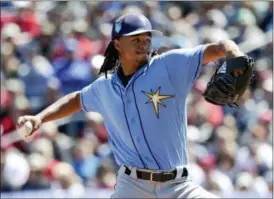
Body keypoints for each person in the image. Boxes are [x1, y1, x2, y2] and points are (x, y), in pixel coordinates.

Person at [17, 13, 245, 198]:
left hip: (178, 186)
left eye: (147, 39)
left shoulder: (168, 65)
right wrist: (40, 118)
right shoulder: (104, 87)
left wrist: (233, 52)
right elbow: (76, 99)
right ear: (117, 44)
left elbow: (218, 47)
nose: (144, 44)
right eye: (135, 39)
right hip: (132, 187)